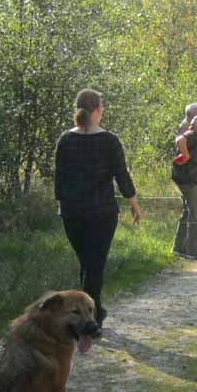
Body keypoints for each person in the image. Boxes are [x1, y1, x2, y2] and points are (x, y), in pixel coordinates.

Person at [54, 89, 142, 326]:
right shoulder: (109, 140)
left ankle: (95, 310)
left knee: (88, 264)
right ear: (98, 110)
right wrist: (134, 205)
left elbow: (59, 180)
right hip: (101, 213)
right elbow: (122, 176)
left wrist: (63, 207)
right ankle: (90, 320)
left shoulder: (65, 140)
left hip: (72, 214)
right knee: (95, 266)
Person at [171, 114, 197, 259]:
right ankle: (194, 251)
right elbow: (179, 139)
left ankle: (179, 248)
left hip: (190, 181)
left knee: (188, 212)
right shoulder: (192, 135)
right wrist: (185, 154)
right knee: (196, 213)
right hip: (189, 182)